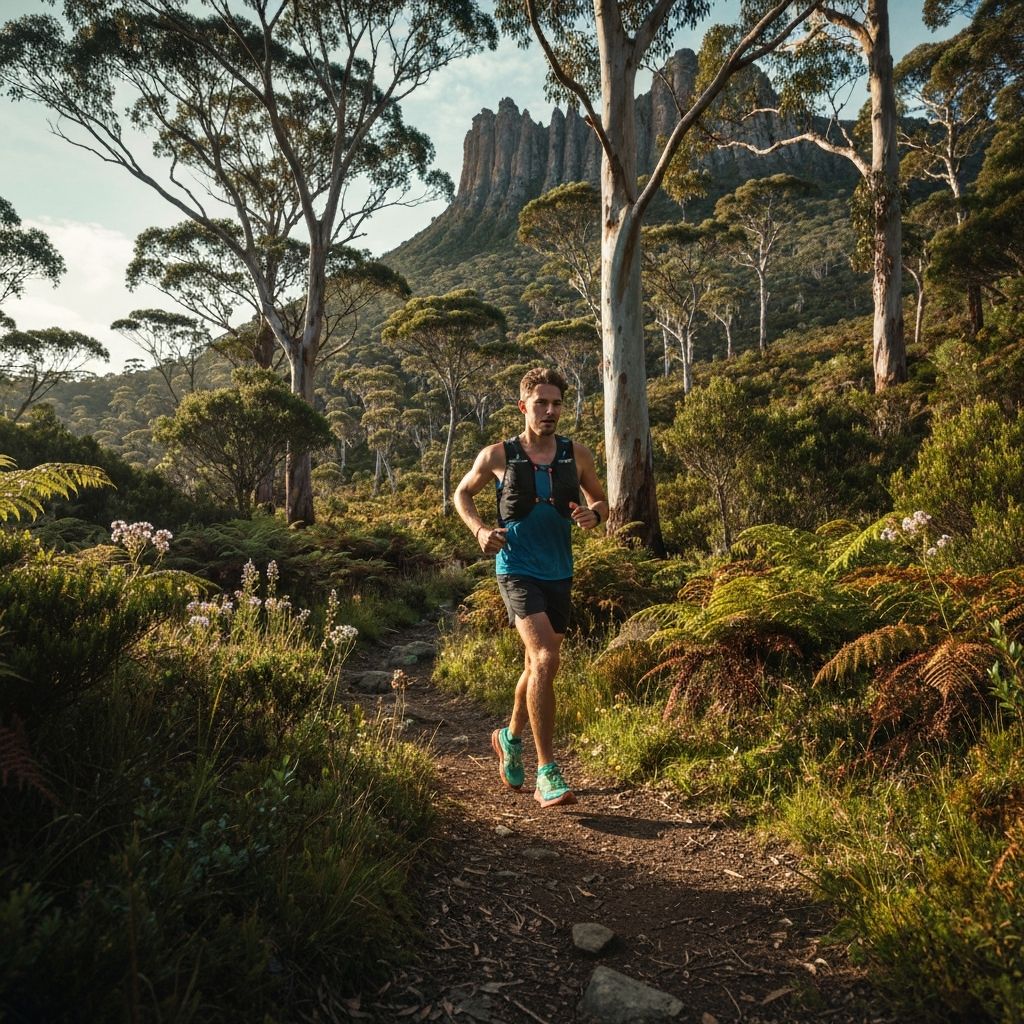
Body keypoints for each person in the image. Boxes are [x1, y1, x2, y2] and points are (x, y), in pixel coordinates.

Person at [454, 367, 607, 807]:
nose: (550, 411)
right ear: (523, 406)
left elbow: (601, 499)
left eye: (556, 403)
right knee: (545, 658)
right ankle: (547, 771)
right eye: (541, 403)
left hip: (559, 570)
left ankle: (509, 736)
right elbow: (462, 493)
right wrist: (480, 530)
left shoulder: (576, 454)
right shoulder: (497, 455)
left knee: (536, 666)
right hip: (516, 568)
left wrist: (595, 514)